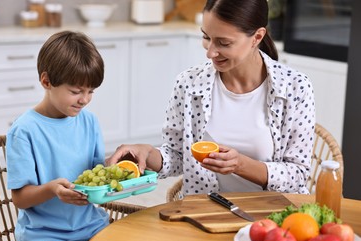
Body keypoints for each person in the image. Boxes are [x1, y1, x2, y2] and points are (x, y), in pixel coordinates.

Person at [107, 0, 315, 195]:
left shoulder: (295, 88)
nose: (210, 52)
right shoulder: (189, 84)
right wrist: (148, 153)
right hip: (205, 214)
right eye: (206, 37)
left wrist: (241, 165)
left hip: (272, 219)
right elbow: (177, 157)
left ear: (257, 37)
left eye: (223, 43)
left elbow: (298, 174)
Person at [6, 31, 109, 241]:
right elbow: (20, 198)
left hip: (93, 227)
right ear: (46, 81)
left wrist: (118, 168)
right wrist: (52, 189)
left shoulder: (89, 122)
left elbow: (97, 174)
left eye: (90, 91)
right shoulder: (24, 131)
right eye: (75, 91)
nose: (85, 99)